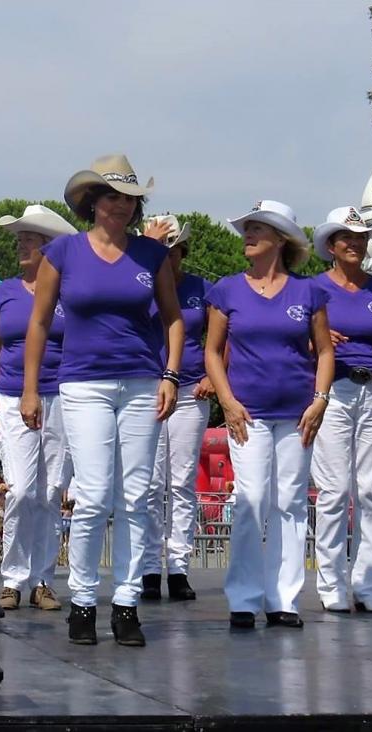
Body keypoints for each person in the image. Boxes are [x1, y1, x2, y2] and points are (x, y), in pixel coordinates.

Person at [22, 155, 184, 647]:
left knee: (136, 497)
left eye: (129, 198)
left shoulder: (151, 257)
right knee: (92, 496)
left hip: (140, 382)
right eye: (111, 195)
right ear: (93, 201)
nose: (120, 205)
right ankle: (84, 602)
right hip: (83, 383)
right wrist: (30, 388)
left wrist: (172, 374)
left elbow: (174, 319)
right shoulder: (64, 252)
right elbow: (40, 322)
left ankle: (127, 602)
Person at [204, 199, 334, 631]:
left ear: (281, 239)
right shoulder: (226, 289)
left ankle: (284, 601)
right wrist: (227, 401)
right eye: (246, 227)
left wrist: (320, 399)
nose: (248, 234)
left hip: (298, 414)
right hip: (248, 414)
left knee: (290, 504)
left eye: (258, 228)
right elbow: (211, 352)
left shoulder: (309, 291)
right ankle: (243, 598)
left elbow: (326, 351)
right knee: (251, 500)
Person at [0, 204, 77, 612]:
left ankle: (42, 581)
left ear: (49, 248)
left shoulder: (70, 294)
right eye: (20, 239)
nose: (21, 245)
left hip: (62, 397)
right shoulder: (3, 294)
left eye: (29, 239)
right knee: (19, 489)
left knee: (51, 491)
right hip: (11, 396)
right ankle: (13, 579)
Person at [310, 206, 372, 615]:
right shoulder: (312, 290)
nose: (356, 244)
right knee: (334, 490)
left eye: (362, 238)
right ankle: (331, 583)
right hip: (333, 391)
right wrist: (314, 340)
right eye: (347, 237)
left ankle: (369, 584)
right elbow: (294, 344)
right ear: (331, 245)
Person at [139, 215, 213, 602]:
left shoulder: (203, 288)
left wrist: (214, 378)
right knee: (150, 484)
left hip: (191, 392)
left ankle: (179, 567)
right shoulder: (141, 287)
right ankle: (151, 567)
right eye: (161, 251)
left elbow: (223, 336)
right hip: (149, 388)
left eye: (173, 251)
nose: (168, 258)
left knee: (181, 482)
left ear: (183, 253)